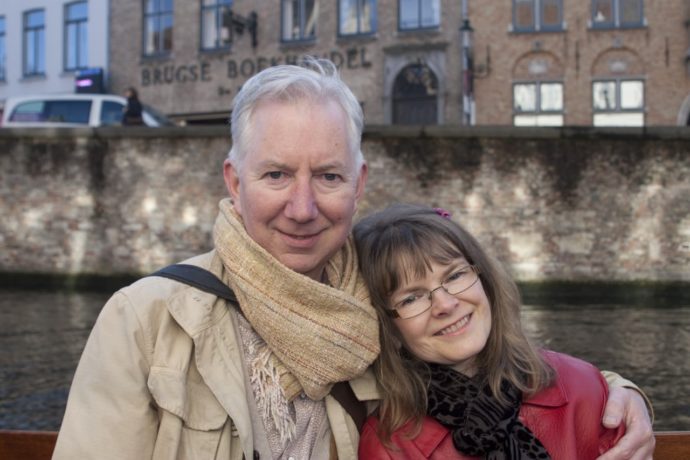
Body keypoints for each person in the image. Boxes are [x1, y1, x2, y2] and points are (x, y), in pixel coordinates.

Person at [52, 59, 653, 460]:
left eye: (329, 175)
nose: (303, 206)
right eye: (277, 175)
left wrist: (619, 393)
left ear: (359, 183)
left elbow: (499, 364)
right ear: (235, 182)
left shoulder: (384, 299)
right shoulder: (147, 319)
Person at [353, 203, 652, 459]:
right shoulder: (389, 446)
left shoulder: (583, 388)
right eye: (411, 297)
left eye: (455, 275)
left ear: (484, 278)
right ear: (389, 327)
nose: (445, 304)